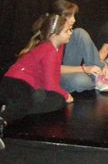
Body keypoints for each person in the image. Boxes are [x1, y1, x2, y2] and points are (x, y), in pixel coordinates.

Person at [0, 13, 74, 149]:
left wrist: (61, 94)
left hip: (28, 86)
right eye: (67, 31)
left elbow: (52, 79)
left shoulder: (58, 47)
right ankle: (3, 118)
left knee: (56, 100)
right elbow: (51, 85)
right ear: (53, 35)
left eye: (70, 29)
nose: (70, 33)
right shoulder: (49, 49)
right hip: (16, 81)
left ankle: (10, 107)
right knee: (25, 103)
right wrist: (65, 94)